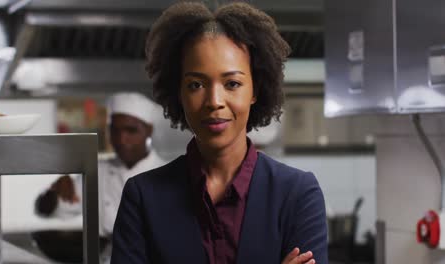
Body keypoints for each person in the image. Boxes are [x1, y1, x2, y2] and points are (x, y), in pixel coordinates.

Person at [111, 2, 328, 264]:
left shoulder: (297, 194)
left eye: (232, 83)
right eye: (196, 84)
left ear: (255, 90)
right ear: (179, 92)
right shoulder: (142, 197)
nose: (214, 100)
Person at [34, 92, 166, 263]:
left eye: (131, 130)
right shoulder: (98, 171)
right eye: (114, 130)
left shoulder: (168, 174)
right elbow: (47, 210)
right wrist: (56, 189)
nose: (121, 139)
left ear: (149, 130)